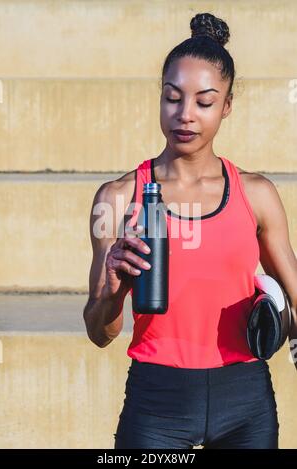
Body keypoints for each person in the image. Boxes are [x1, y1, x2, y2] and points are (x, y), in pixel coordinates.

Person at [83, 12, 297, 449]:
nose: (185, 115)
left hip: (246, 401)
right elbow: (98, 332)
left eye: (204, 102)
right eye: (172, 97)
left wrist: (280, 317)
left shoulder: (257, 194)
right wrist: (112, 290)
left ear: (227, 106)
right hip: (155, 401)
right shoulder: (117, 198)